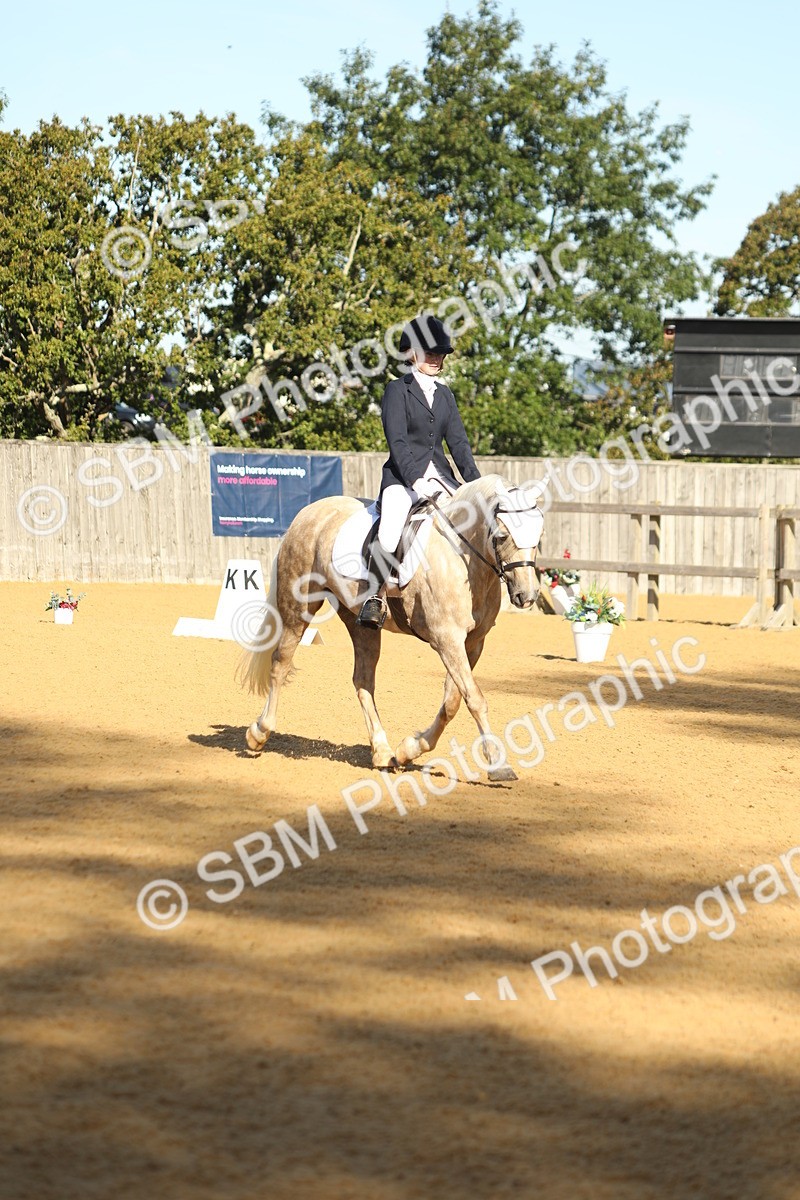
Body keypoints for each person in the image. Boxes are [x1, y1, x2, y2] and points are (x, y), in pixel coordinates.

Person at [357, 313, 481, 628]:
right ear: (412, 353)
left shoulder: (445, 395)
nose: (436, 359)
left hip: (441, 476)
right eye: (430, 353)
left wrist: (478, 486)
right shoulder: (397, 391)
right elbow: (397, 442)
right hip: (402, 478)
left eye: (440, 354)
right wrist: (415, 480)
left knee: (471, 520)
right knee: (391, 524)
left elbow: (460, 445)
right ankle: (374, 596)